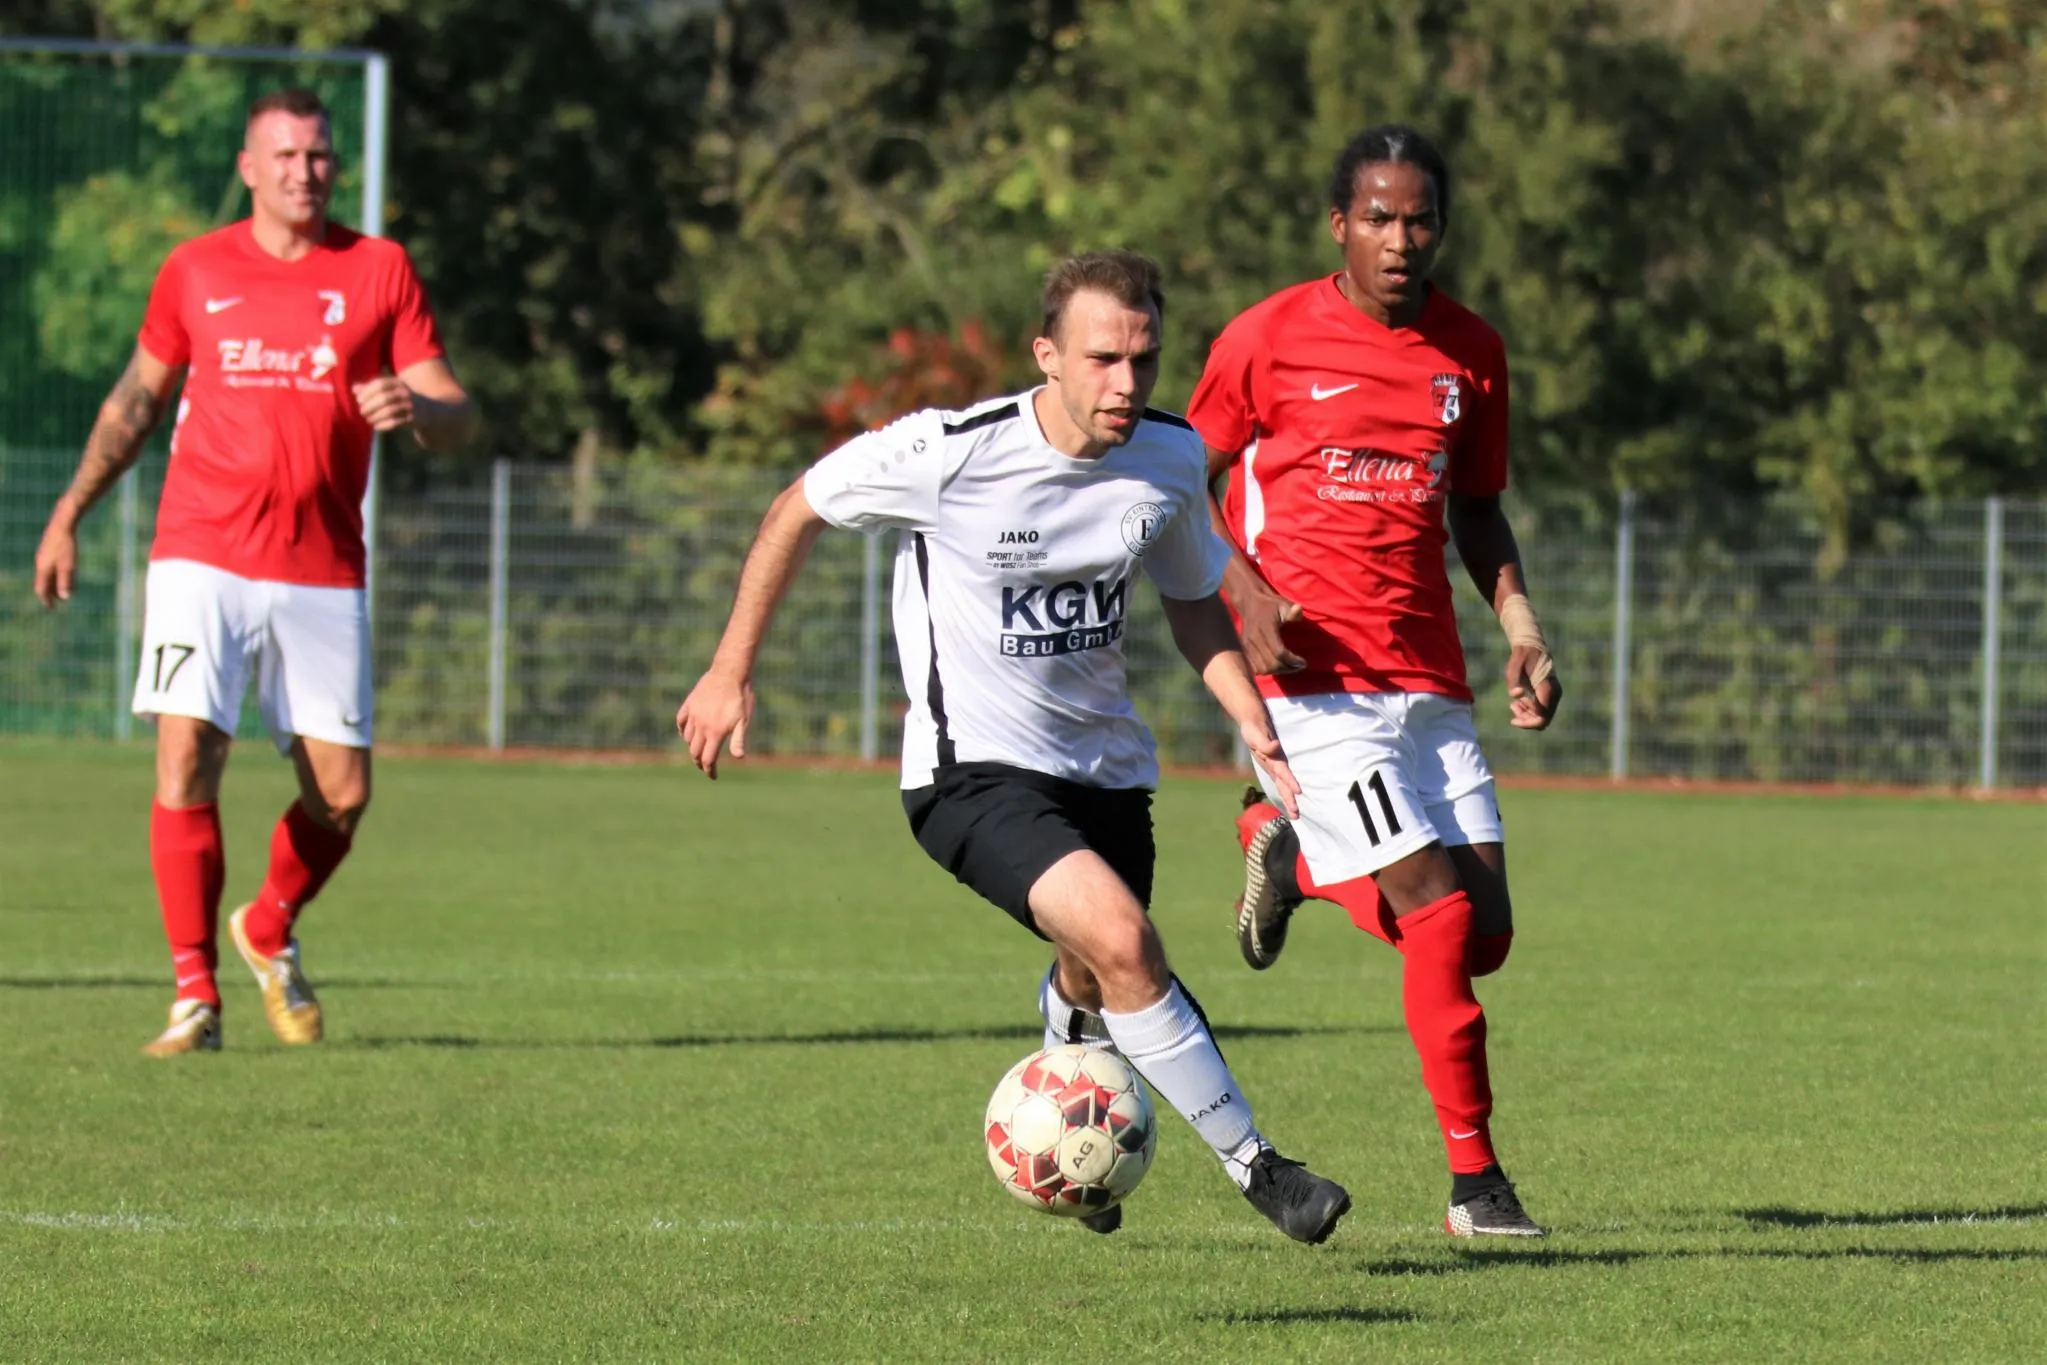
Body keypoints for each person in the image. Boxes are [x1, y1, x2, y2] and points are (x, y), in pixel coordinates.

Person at [677, 250, 1352, 1244]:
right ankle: (1261, 1168)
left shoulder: (1167, 456)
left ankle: (1066, 1080)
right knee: (1125, 942)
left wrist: (1248, 715)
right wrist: (729, 668)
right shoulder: (948, 453)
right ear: (1047, 356)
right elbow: (798, 508)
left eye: (1144, 358)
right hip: (970, 774)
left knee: (1092, 969)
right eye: (1102, 358)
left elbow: (1190, 599)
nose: (1125, 382)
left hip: (1106, 773)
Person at [32, 88, 476, 1057]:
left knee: (343, 796)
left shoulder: (379, 268)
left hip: (323, 566)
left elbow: (455, 411)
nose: (303, 172)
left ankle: (269, 926)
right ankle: (195, 996)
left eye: (317, 156)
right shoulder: (195, 269)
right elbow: (133, 403)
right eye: (284, 156)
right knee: (188, 754)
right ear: (247, 168)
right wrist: (68, 513)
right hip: (203, 551)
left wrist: (419, 410)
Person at [1186, 126, 1561, 1238]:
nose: (1401, 240)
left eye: (1421, 220)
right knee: (1434, 914)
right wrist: (1241, 587)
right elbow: (1176, 481)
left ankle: (1293, 858)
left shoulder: (1471, 351)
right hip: (1313, 682)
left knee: (1484, 935)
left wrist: (1521, 626)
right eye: (1379, 219)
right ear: (1338, 225)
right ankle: (1477, 1187)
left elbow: (1478, 510)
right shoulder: (1264, 339)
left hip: (1428, 676)